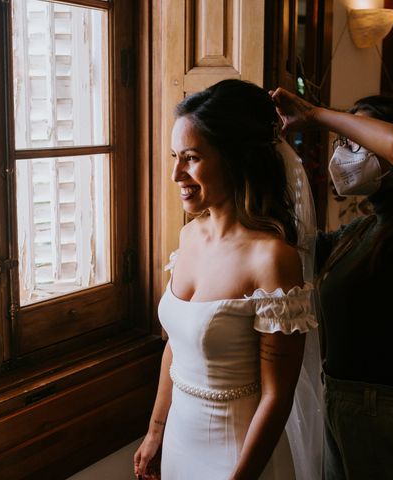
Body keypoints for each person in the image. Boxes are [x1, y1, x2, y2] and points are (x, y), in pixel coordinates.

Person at [133, 79, 322, 480]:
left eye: (191, 158)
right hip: (180, 443)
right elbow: (176, 348)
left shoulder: (272, 259)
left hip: (236, 454)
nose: (175, 173)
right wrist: (155, 433)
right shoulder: (189, 236)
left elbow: (277, 395)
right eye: (174, 156)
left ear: (234, 159)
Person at [271, 87, 393, 479]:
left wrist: (314, 114)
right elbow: (297, 246)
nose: (345, 151)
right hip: (343, 402)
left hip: (392, 414)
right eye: (344, 141)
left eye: (357, 138)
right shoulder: (365, 227)